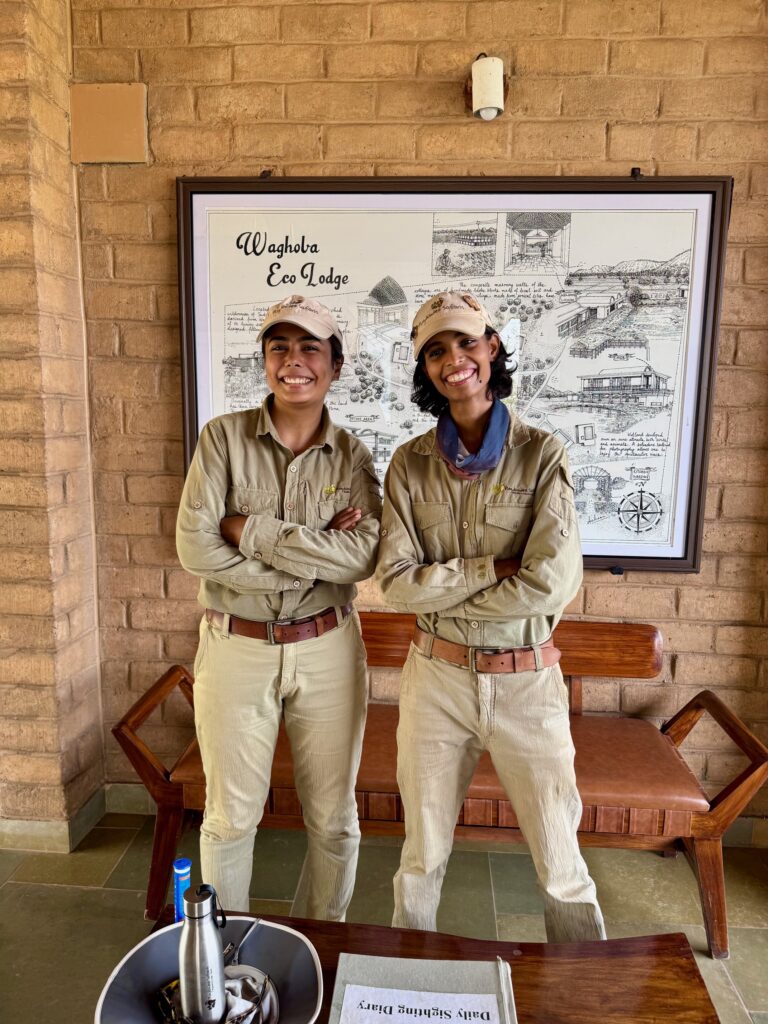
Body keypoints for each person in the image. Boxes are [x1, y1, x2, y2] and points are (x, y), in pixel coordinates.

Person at [375, 291, 605, 942]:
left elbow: (551, 584)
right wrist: (490, 568)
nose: (455, 360)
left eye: (466, 343)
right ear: (425, 367)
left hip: (526, 684)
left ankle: (582, 994)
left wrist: (442, 586)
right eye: (436, 350)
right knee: (419, 859)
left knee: (561, 862)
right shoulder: (408, 464)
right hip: (435, 682)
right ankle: (406, 988)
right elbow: (395, 586)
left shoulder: (541, 455)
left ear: (492, 347)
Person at [176, 294, 381, 918]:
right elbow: (194, 549)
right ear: (265, 362)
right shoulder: (221, 440)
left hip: (329, 650)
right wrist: (312, 560)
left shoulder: (352, 456)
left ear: (335, 365)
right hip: (235, 647)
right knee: (230, 816)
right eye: (279, 348)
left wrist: (249, 530)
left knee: (335, 817)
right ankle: (227, 952)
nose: (294, 361)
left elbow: (362, 560)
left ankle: (325, 940)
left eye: (310, 347)